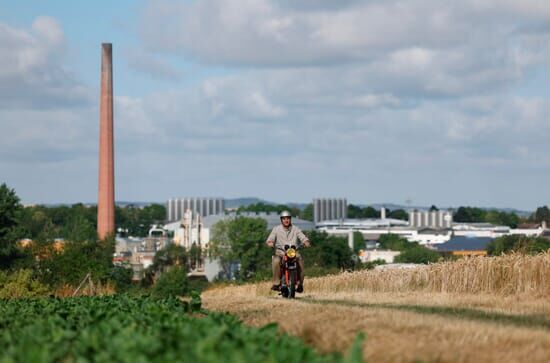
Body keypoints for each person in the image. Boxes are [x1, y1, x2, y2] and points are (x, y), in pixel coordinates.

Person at [266, 210, 311, 292]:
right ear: (281, 220)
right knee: (276, 261)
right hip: (281, 252)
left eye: (288, 218)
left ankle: (300, 283)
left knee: (300, 261)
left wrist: (306, 241)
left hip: (293, 252)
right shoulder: (276, 229)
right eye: (284, 219)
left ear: (290, 219)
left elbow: (302, 236)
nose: (286, 220)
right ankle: (276, 283)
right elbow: (270, 239)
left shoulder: (295, 229)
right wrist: (270, 242)